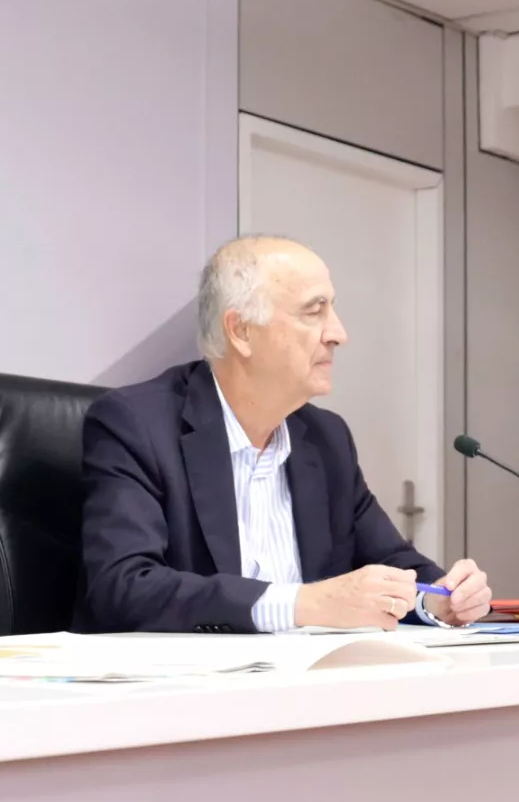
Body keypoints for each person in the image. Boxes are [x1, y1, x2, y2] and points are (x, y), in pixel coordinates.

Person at [79, 236, 491, 634]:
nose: (338, 333)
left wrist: (439, 599)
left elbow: (393, 562)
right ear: (240, 331)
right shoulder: (136, 424)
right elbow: (125, 586)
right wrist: (303, 605)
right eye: (314, 312)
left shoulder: (326, 437)